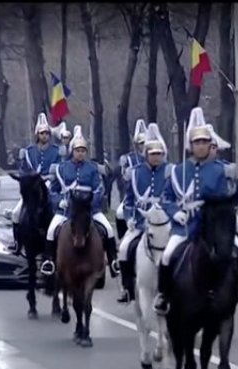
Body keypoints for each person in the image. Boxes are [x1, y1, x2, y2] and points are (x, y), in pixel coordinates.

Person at [152, 107, 238, 316]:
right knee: (167, 256)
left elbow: (229, 196)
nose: (201, 146)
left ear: (210, 144)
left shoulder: (222, 169)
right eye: (197, 142)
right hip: (184, 227)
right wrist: (175, 211)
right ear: (190, 145)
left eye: (204, 142)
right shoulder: (178, 171)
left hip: (214, 226)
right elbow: (166, 198)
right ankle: (163, 296)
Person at [40, 126, 120, 279]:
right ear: (72, 151)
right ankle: (49, 261)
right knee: (51, 231)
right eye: (78, 150)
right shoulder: (62, 168)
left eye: (83, 150)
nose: (81, 153)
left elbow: (98, 188)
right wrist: (59, 202)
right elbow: (53, 191)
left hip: (89, 210)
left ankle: (113, 261)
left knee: (109, 229)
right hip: (67, 210)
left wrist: (91, 204)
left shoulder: (92, 168)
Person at [115, 123, 171, 304]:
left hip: (165, 224)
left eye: (159, 154)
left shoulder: (171, 171)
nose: (156, 157)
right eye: (153, 154)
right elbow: (129, 200)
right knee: (123, 249)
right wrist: (130, 217)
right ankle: (126, 288)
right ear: (146, 154)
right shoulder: (136, 173)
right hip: (140, 222)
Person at [10, 113, 63, 251]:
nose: (44, 136)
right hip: (32, 185)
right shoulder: (29, 151)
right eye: (42, 133)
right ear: (37, 135)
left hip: (48, 183)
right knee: (16, 213)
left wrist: (52, 175)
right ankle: (17, 242)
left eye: (46, 133)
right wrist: (27, 178)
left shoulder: (56, 151)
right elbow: (23, 170)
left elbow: (60, 168)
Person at [115, 119, 147, 238]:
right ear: (137, 145)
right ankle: (122, 237)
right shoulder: (128, 159)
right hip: (134, 195)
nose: (144, 146)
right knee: (119, 213)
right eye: (141, 143)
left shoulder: (155, 156)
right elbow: (123, 180)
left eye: (146, 143)